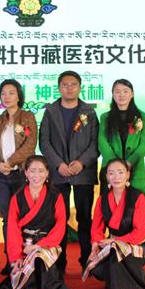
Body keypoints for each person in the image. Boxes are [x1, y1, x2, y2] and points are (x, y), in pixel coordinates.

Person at [39, 71, 99, 272]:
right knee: (59, 220)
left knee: (85, 219)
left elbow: (95, 143)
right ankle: (59, 262)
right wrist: (59, 164)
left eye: (73, 84)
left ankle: (87, 261)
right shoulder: (50, 111)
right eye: (65, 84)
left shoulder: (89, 112)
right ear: (59, 88)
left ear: (80, 87)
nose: (69, 88)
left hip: (84, 173)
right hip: (59, 174)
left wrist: (81, 162)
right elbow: (44, 142)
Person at [0, 155, 73, 289]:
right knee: (21, 270)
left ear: (47, 173)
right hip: (24, 244)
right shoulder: (17, 197)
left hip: (47, 243)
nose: (36, 175)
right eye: (32, 171)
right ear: (26, 173)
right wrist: (16, 256)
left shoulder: (55, 196)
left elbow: (60, 227)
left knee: (39, 258)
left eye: (41, 171)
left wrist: (38, 246)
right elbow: (13, 229)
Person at [83, 159, 145, 289]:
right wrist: (95, 246)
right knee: (95, 267)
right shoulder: (102, 199)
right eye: (111, 173)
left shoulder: (138, 197)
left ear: (128, 175)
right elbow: (97, 228)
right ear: (107, 177)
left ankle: (125, 282)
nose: (116, 177)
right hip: (110, 243)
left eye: (120, 172)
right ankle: (120, 279)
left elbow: (140, 232)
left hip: (136, 244)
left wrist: (115, 241)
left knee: (116, 251)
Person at [0, 79, 37, 274]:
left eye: (11, 93)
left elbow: (30, 145)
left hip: (21, 174)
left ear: (19, 96)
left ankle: (26, 259)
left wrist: (10, 162)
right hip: (2, 176)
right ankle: (10, 259)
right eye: (3, 93)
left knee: (23, 218)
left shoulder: (27, 117)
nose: (6, 96)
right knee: (7, 219)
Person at [99, 79, 145, 196]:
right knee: (109, 204)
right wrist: (116, 166)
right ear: (113, 94)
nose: (121, 95)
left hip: (135, 170)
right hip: (111, 171)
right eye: (117, 92)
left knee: (136, 203)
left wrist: (129, 163)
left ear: (132, 94)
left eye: (125, 91)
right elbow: (102, 143)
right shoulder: (105, 117)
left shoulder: (142, 117)